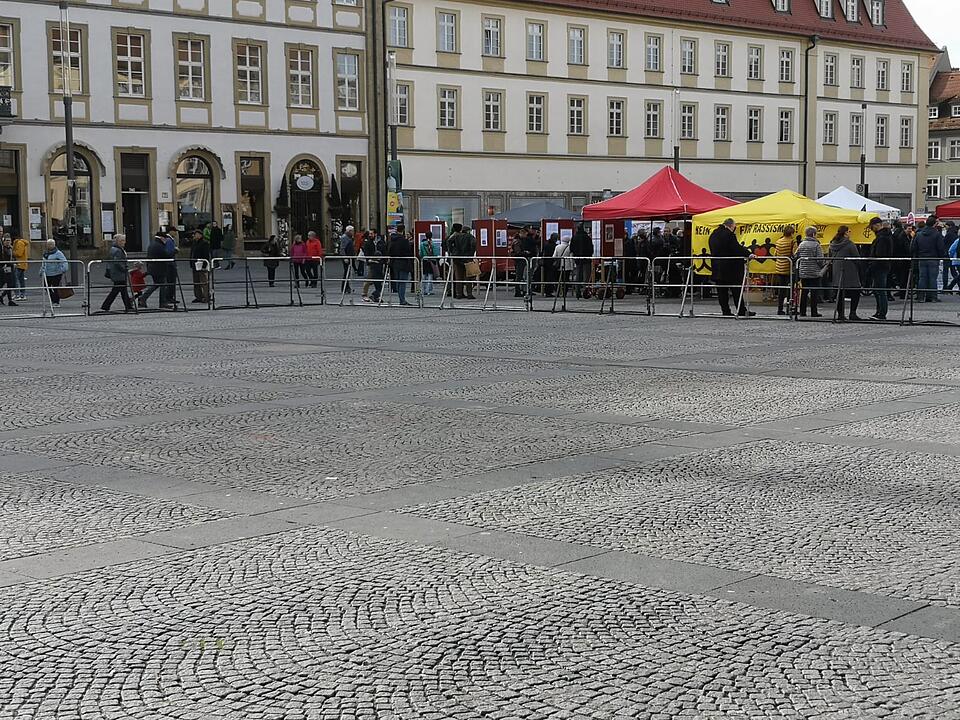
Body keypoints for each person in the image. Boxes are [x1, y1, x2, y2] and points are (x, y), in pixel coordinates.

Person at [708, 218, 754, 316]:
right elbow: (736, 248)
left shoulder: (713, 234)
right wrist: (749, 254)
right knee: (736, 290)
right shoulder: (729, 235)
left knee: (722, 291)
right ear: (731, 226)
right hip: (731, 268)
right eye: (734, 226)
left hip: (717, 266)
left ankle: (725, 311)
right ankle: (741, 310)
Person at [828, 226, 862, 322]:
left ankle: (840, 314)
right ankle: (853, 313)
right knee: (855, 292)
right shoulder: (849, 244)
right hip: (850, 271)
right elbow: (857, 258)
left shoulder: (832, 244)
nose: (850, 233)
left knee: (839, 293)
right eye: (849, 231)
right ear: (845, 233)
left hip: (837, 271)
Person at [912, 217, 947, 302]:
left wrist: (917, 256)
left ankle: (921, 297)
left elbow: (913, 247)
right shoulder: (937, 234)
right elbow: (940, 248)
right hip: (933, 258)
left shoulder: (919, 234)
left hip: (922, 258)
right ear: (934, 224)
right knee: (932, 278)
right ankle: (932, 297)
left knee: (922, 278)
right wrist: (942, 256)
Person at [795, 227, 825, 317]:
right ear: (813, 234)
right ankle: (814, 311)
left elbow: (797, 255)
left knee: (804, 292)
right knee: (814, 292)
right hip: (814, 272)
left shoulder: (801, 244)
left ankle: (802, 311)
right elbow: (820, 259)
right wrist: (823, 266)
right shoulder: (816, 245)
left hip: (803, 271)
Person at [101, 234, 134, 313]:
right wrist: (124, 269)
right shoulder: (118, 250)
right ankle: (106, 305)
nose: (124, 242)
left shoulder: (115, 249)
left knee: (122, 290)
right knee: (116, 290)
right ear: (117, 241)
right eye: (122, 240)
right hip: (119, 273)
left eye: (124, 240)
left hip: (116, 273)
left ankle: (127, 305)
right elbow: (117, 262)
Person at [868, 217, 893, 320]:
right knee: (878, 290)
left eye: (872, 227)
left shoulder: (881, 238)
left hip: (879, 266)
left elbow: (879, 254)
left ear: (877, 225)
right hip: (883, 266)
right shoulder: (886, 236)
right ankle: (879, 312)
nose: (871, 229)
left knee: (880, 290)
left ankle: (881, 313)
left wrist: (872, 263)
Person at [447, 223, 477, 299]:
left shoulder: (456, 236)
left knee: (458, 277)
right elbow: (474, 243)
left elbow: (449, 241)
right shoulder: (469, 237)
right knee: (468, 277)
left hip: (457, 258)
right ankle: (469, 294)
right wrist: (471, 253)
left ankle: (459, 294)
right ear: (468, 231)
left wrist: (452, 251)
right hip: (467, 259)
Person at [773, 225, 797, 315]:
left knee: (781, 290)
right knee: (790, 290)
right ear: (791, 233)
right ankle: (789, 309)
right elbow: (794, 254)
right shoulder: (792, 241)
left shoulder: (778, 241)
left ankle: (779, 309)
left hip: (779, 268)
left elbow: (775, 254)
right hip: (788, 268)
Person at [388, 224, 414, 305]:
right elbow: (408, 252)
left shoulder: (392, 240)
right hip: (403, 262)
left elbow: (389, 250)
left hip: (395, 263)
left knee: (398, 281)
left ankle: (401, 298)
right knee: (402, 282)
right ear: (403, 230)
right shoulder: (404, 240)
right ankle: (402, 300)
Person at [41, 239, 69, 306]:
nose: (49, 246)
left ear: (54, 245)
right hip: (47, 273)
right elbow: (43, 263)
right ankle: (53, 299)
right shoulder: (46, 253)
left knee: (55, 287)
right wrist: (41, 271)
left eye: (51, 244)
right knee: (46, 287)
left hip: (56, 273)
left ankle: (56, 301)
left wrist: (63, 269)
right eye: (48, 244)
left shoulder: (58, 253)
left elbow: (64, 261)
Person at [570, 224, 593, 298]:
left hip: (577, 258)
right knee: (586, 275)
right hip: (586, 259)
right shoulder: (587, 237)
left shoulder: (574, 237)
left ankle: (577, 291)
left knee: (578, 275)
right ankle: (585, 292)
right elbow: (591, 248)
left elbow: (571, 248)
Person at [189, 229, 211, 303]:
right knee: (196, 282)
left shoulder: (204, 243)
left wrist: (204, 264)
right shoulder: (194, 243)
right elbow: (192, 253)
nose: (194, 236)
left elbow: (206, 255)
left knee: (203, 282)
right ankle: (198, 296)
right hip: (194, 264)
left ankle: (206, 297)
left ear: (200, 235)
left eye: (195, 234)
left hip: (201, 264)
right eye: (194, 234)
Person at [363, 230, 385, 303]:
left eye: (372, 234)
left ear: (375, 234)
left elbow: (383, 250)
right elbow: (366, 253)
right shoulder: (367, 243)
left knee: (378, 281)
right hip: (371, 263)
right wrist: (369, 260)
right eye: (369, 234)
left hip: (379, 264)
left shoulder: (380, 242)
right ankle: (364, 294)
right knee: (368, 279)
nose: (370, 235)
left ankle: (376, 295)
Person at [553, 231, 573, 297]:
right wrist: (572, 266)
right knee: (565, 280)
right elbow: (571, 258)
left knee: (558, 279)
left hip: (559, 265)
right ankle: (565, 293)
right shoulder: (569, 247)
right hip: (567, 265)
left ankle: (557, 292)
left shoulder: (557, 247)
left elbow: (554, 256)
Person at [0, 235, 16, 306]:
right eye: (6, 240)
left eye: (9, 240)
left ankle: (5, 297)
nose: (8, 242)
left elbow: (13, 256)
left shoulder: (11, 248)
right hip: (5, 267)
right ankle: (8, 299)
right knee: (4, 283)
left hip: (11, 267)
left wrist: (14, 262)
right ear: (4, 241)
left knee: (11, 284)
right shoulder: (3, 249)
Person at [419, 230, 436, 296]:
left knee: (423, 276)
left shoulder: (422, 244)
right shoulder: (433, 244)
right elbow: (435, 253)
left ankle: (422, 290)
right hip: (431, 261)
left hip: (424, 260)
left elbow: (420, 254)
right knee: (430, 276)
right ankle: (428, 290)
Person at [339, 226, 355, 294]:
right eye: (352, 231)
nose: (353, 232)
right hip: (347, 258)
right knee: (346, 272)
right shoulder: (344, 238)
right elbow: (342, 249)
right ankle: (344, 287)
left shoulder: (349, 237)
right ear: (349, 231)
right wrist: (345, 257)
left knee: (348, 272)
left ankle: (347, 287)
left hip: (349, 257)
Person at [12, 234, 27, 300]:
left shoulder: (19, 243)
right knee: (21, 280)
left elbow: (19, 253)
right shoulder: (21, 242)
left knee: (16, 279)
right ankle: (22, 294)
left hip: (19, 264)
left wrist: (13, 252)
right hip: (22, 263)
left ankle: (18, 294)